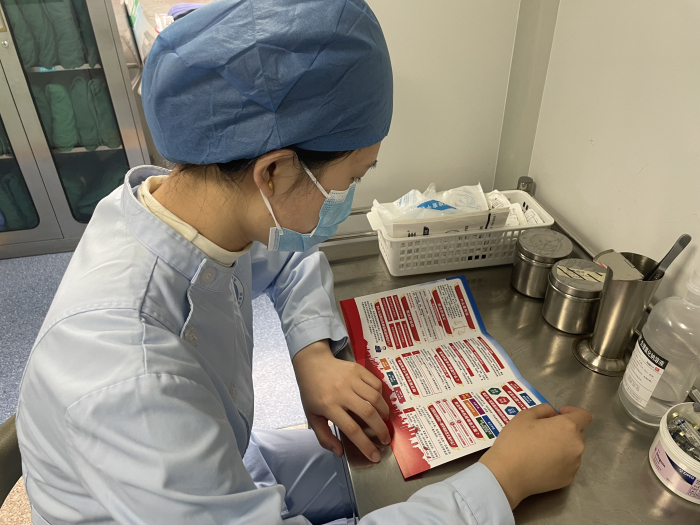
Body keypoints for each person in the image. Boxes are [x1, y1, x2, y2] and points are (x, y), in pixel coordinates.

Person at [16, 0, 591, 523]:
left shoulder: (193, 210)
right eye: (352, 177)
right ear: (273, 171)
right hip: (163, 495)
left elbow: (285, 257)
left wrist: (311, 354)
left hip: (217, 468)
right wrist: (503, 483)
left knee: (390, 465)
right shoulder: (128, 376)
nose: (350, 197)